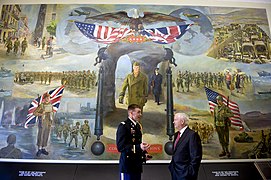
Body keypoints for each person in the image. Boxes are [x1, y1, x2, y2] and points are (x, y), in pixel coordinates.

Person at [116, 104, 151, 180]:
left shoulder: (138, 126)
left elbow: (137, 143)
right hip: (127, 166)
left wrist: (144, 153)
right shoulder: (123, 126)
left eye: (140, 112)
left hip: (137, 165)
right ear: (131, 113)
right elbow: (120, 147)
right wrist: (139, 147)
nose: (140, 115)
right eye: (138, 112)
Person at [169, 113, 202, 180]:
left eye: (175, 120)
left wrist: (190, 172)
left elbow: (195, 156)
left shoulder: (192, 135)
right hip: (175, 172)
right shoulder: (176, 135)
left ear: (182, 122)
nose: (173, 122)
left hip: (186, 174)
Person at [33, 93, 54, 157]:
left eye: (49, 98)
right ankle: (39, 149)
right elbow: (35, 113)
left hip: (48, 123)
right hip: (42, 123)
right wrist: (41, 114)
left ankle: (43, 148)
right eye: (46, 98)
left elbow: (52, 115)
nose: (48, 99)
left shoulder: (51, 105)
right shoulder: (41, 105)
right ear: (44, 99)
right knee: (41, 136)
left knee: (46, 136)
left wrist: (52, 122)